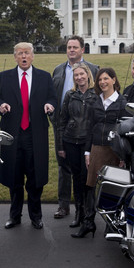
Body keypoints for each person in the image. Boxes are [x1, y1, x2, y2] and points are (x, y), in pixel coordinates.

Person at [0, 42, 56, 230]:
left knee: (35, 178)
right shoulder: (4, 77)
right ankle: (14, 215)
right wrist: (1, 105)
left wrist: (50, 106)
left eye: (27, 53)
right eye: (20, 54)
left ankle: (36, 216)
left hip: (35, 135)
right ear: (15, 57)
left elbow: (52, 98)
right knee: (14, 177)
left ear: (33, 56)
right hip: (13, 134)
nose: (24, 56)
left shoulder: (44, 77)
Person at [73, 68, 127, 238]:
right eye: (100, 80)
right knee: (90, 186)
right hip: (96, 148)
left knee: (113, 188)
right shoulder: (95, 102)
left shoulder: (122, 102)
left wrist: (123, 156)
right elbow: (90, 127)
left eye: (106, 79)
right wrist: (87, 152)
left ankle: (112, 224)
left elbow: (125, 130)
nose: (102, 82)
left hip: (114, 150)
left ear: (113, 79)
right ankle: (88, 222)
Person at [51, 35, 99, 221]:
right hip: (63, 125)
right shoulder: (58, 70)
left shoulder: (93, 69)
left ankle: (87, 208)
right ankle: (63, 205)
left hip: (86, 128)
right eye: (69, 47)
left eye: (75, 47)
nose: (71, 50)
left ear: (82, 50)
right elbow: (52, 94)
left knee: (86, 168)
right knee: (64, 165)